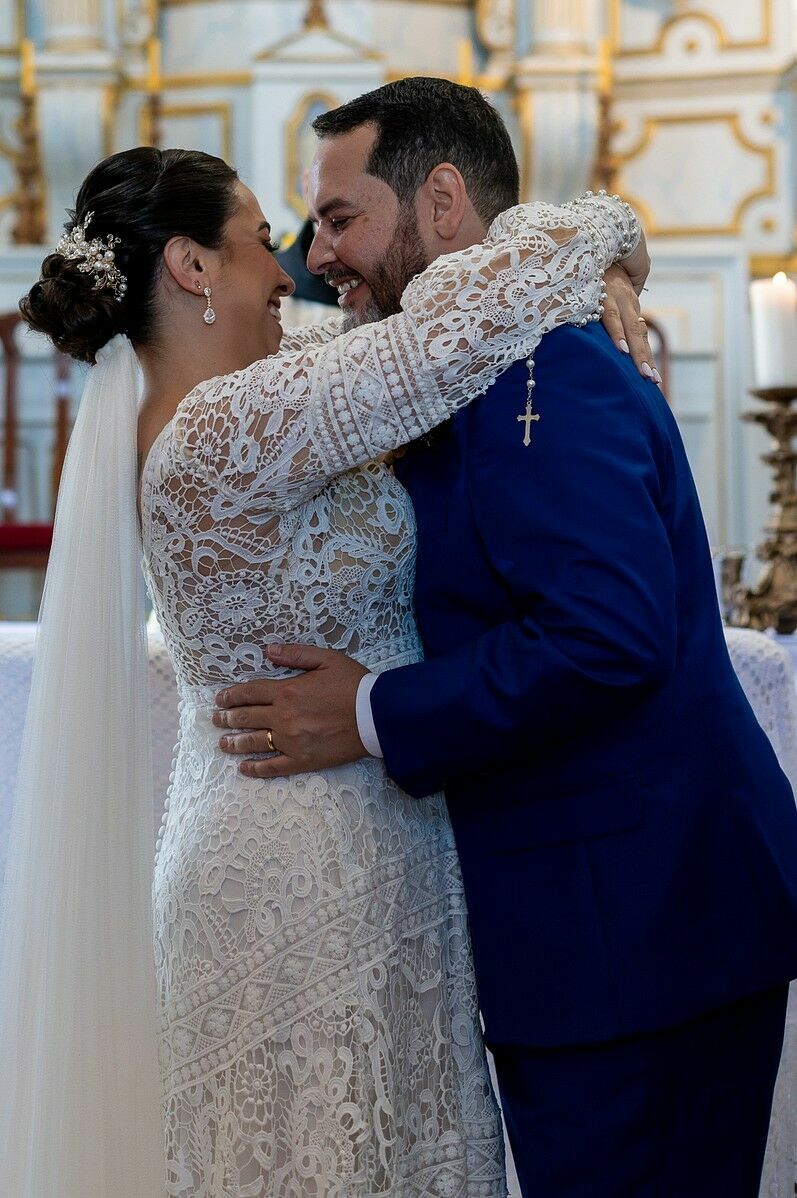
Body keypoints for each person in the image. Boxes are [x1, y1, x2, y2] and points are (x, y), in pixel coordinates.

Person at [0, 139, 647, 1197]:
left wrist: (585, 268)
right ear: (191, 267)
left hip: (336, 827)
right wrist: (608, 237)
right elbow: (449, 329)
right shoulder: (225, 427)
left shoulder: (229, 399)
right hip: (301, 867)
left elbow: (394, 330)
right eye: (261, 242)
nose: (290, 268)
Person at [216, 78, 797, 1198]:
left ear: (441, 200)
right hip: (592, 926)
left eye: (339, 218)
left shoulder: (542, 368)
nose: (314, 255)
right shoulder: (455, 369)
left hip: (637, 924)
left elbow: (603, 633)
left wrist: (373, 709)